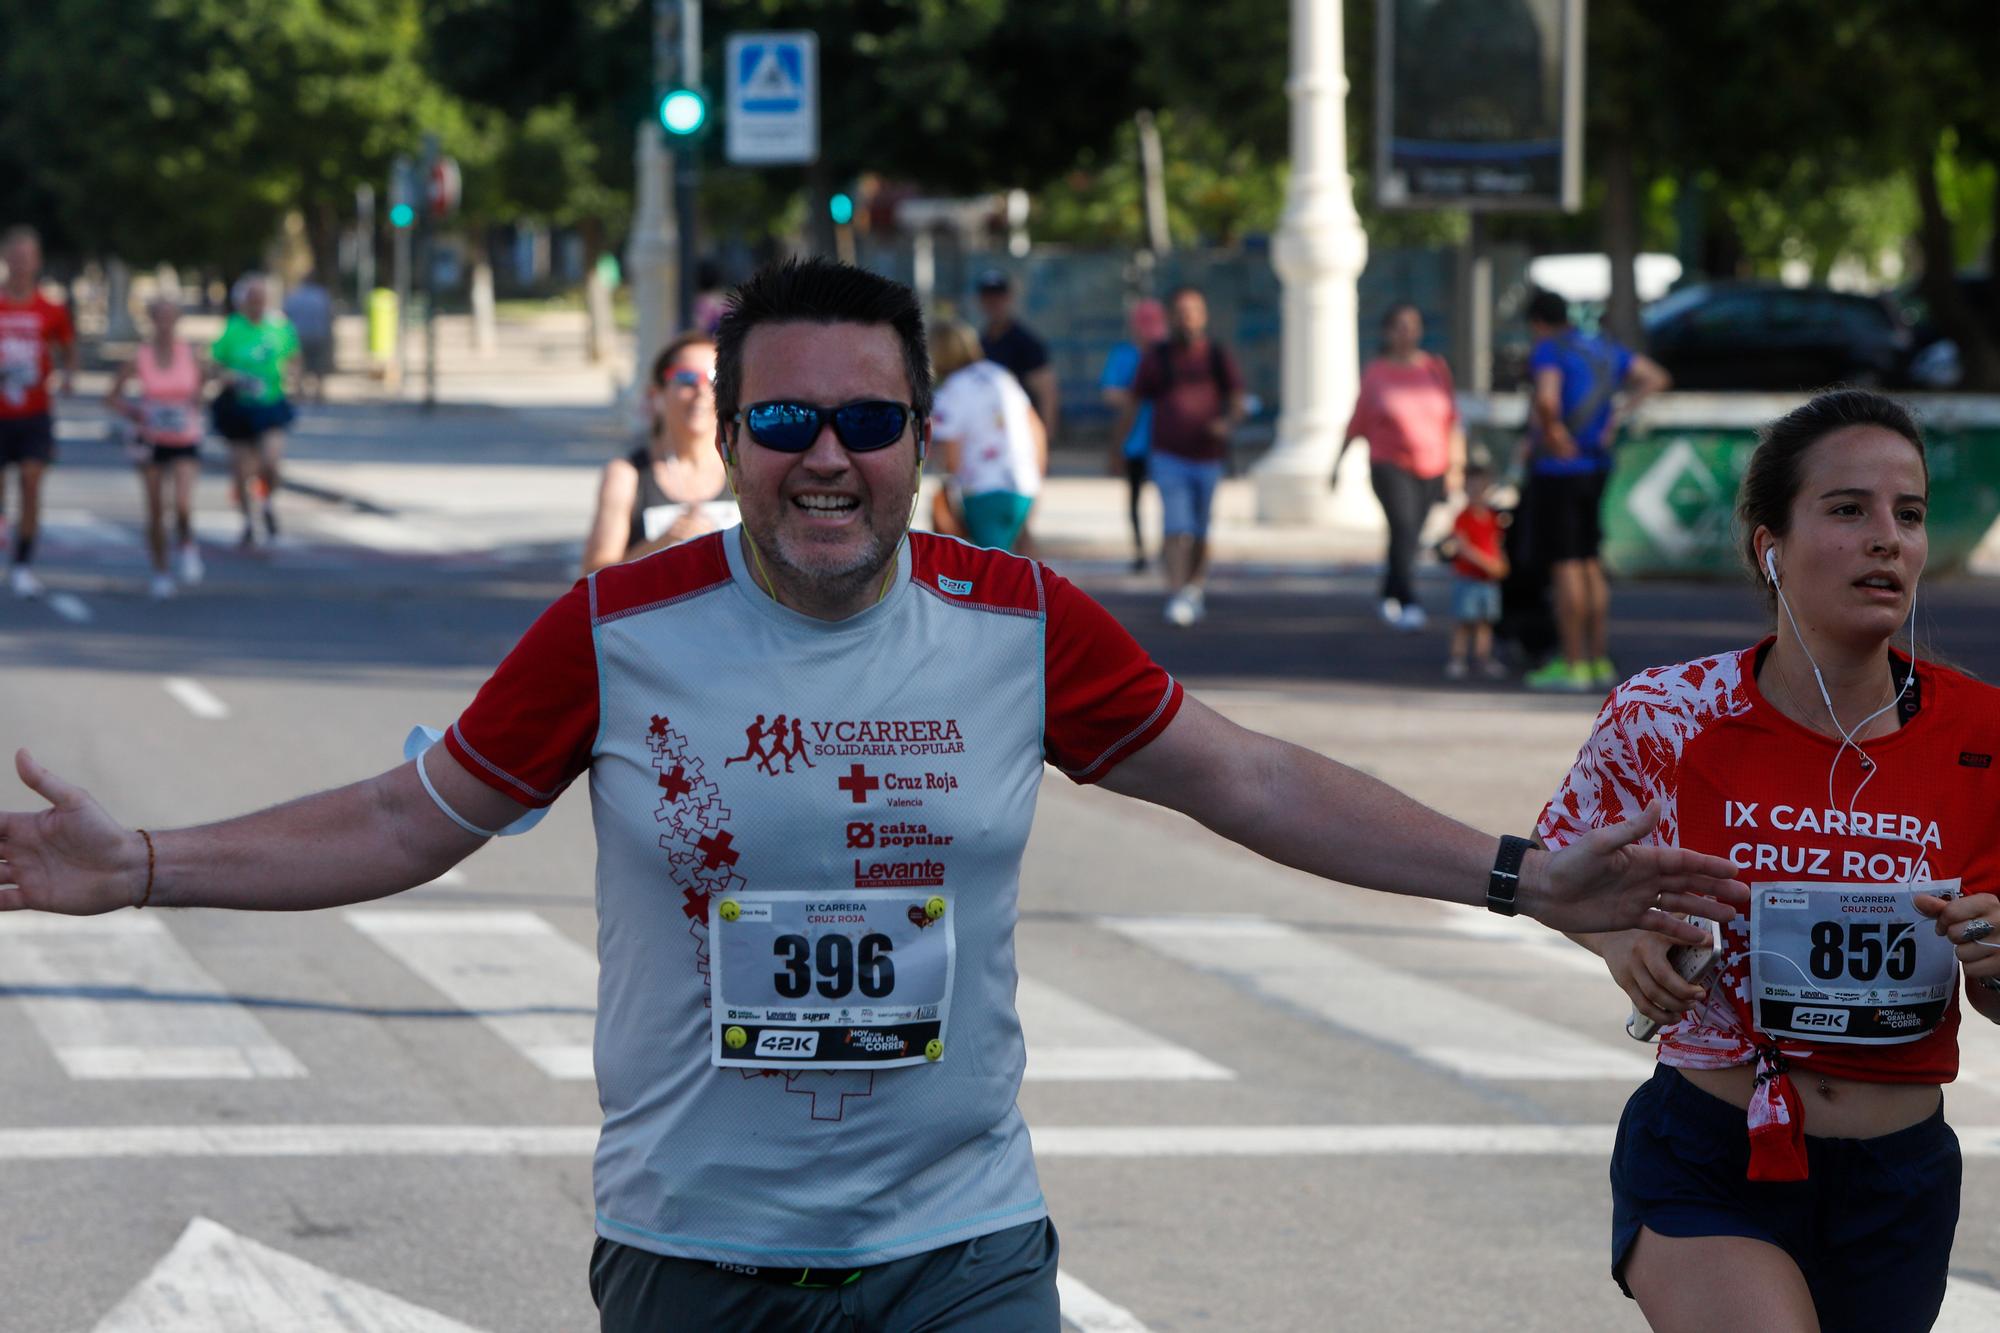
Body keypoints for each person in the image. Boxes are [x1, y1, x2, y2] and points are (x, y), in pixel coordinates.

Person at [0, 258, 1746, 1333]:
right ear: (731, 434)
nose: (826, 453)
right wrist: (136, 861)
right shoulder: (617, 625)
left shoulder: (1020, 623)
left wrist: (1519, 875)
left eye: (867, 417)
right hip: (692, 1250)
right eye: (782, 418)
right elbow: (405, 821)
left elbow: (1246, 773)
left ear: (924, 438)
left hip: (959, 1247)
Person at [1543, 389, 1999, 1333]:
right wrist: (1618, 935)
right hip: (1711, 1154)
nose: (1888, 538)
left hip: (1898, 1177)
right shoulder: (1664, 715)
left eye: (1907, 515)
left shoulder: (1985, 734)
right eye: (1847, 509)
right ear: (1769, 545)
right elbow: (1556, 875)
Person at [1518, 288, 1671, 692]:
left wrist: (1552, 434)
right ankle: (1598, 658)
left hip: (1559, 469)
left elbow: (1547, 400)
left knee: (1565, 562)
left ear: (1537, 323)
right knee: (1588, 560)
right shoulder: (1603, 347)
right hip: (1597, 466)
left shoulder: (1549, 350)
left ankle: (1572, 663)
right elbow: (1656, 377)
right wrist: (1619, 413)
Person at [1337, 302, 1466, 632]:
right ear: (1389, 332)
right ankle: (1407, 598)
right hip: (1389, 463)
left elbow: (1452, 419)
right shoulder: (1378, 373)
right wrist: (1337, 464)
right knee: (1405, 526)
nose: (1407, 332)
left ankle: (1389, 591)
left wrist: (1455, 467)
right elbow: (1358, 421)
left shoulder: (1435, 368)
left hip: (1432, 465)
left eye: (1414, 324)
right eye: (1401, 325)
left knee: (1408, 535)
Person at [1134, 285, 1246, 627]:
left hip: (1208, 457)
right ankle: (1177, 590)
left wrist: (1226, 425)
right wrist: (1120, 446)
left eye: (1194, 311)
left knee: (1200, 529)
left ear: (1204, 315)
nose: (1188, 318)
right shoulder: (1158, 357)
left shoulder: (1216, 355)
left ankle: (1194, 586)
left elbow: (1238, 400)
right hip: (1168, 454)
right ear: (1171, 317)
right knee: (1175, 525)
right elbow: (1135, 401)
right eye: (1181, 311)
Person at [580, 333, 734, 575]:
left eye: (715, 379)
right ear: (656, 395)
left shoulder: (743, 467)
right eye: (686, 378)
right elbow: (593, 578)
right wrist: (663, 544)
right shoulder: (627, 475)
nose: (702, 391)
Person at [107, 298, 208, 599]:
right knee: (155, 511)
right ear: (151, 321)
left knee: (182, 503)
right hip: (151, 439)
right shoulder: (140, 356)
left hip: (184, 438)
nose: (165, 324)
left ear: (177, 320)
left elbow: (199, 393)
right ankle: (161, 572)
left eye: (170, 318)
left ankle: (188, 544)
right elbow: (111, 397)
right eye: (159, 318)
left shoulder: (190, 354)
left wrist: (192, 409)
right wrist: (137, 413)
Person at [0, 225, 78, 599]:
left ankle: (23, 565)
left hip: (34, 415)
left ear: (37, 262)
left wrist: (67, 377)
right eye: (14, 257)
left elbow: (67, 348)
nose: (20, 265)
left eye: (26, 258)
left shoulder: (51, 308)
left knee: (31, 484)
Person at [928, 320, 1045, 553]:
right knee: (1015, 566)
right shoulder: (999, 374)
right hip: (1022, 485)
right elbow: (1035, 426)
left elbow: (952, 452)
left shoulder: (952, 390)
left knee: (992, 574)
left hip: (982, 489)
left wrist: (949, 487)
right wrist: (1036, 477)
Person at [210, 273, 299, 547]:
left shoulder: (280, 327)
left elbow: (294, 357)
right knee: (241, 469)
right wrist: (229, 377)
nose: (257, 304)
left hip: (270, 403)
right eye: (252, 298)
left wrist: (294, 379)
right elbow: (214, 363)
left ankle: (268, 501)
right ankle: (248, 520)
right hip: (238, 406)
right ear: (244, 302)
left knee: (270, 462)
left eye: (262, 298)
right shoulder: (233, 328)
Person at [1100, 297, 1168, 572]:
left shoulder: (1166, 354)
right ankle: (1140, 550)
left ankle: (1168, 548)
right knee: (1135, 497)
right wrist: (1137, 395)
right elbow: (1110, 392)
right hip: (1135, 438)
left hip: (1166, 438)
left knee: (1169, 498)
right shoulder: (1125, 354)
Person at [974, 269, 1058, 444]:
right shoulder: (979, 343)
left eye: (998, 297)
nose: (993, 303)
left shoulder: (1026, 343)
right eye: (988, 297)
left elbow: (1047, 391)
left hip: (1018, 434)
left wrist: (1045, 437)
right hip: (987, 436)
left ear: (1008, 299)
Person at [1442, 459, 1507, 681]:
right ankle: (1457, 658)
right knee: (1463, 622)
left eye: (1481, 486)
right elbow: (1463, 547)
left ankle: (1483, 657)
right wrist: (1487, 564)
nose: (1477, 492)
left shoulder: (1492, 517)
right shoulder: (1463, 517)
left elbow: (1496, 543)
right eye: (1472, 486)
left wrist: (1500, 564)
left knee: (1485, 623)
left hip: (1488, 580)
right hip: (1468, 577)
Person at [282, 270, 335, 405]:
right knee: (319, 364)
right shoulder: (322, 295)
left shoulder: (294, 295)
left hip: (298, 334)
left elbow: (286, 314)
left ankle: (299, 391)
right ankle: (319, 392)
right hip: (319, 334)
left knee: (299, 364)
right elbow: (330, 315)